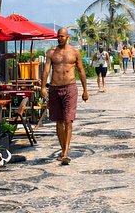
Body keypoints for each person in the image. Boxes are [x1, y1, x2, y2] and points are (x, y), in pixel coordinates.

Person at [41, 28, 89, 165]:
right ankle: (63, 151)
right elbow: (46, 70)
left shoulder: (74, 52)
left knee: (68, 120)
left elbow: (81, 70)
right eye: (58, 36)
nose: (59, 38)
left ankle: (66, 152)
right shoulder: (51, 53)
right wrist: (43, 87)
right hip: (55, 88)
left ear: (67, 37)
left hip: (70, 88)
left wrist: (85, 90)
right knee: (59, 122)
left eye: (62, 36)